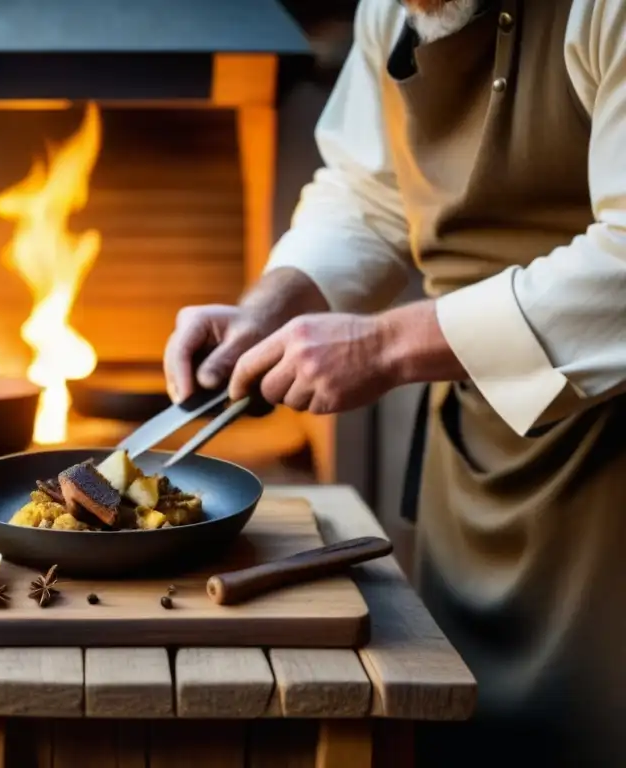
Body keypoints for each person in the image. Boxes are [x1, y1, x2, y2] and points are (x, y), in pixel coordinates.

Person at [163, 1, 626, 765]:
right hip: (477, 455)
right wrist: (269, 306)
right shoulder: (396, 8)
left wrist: (386, 344)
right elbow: (367, 193)